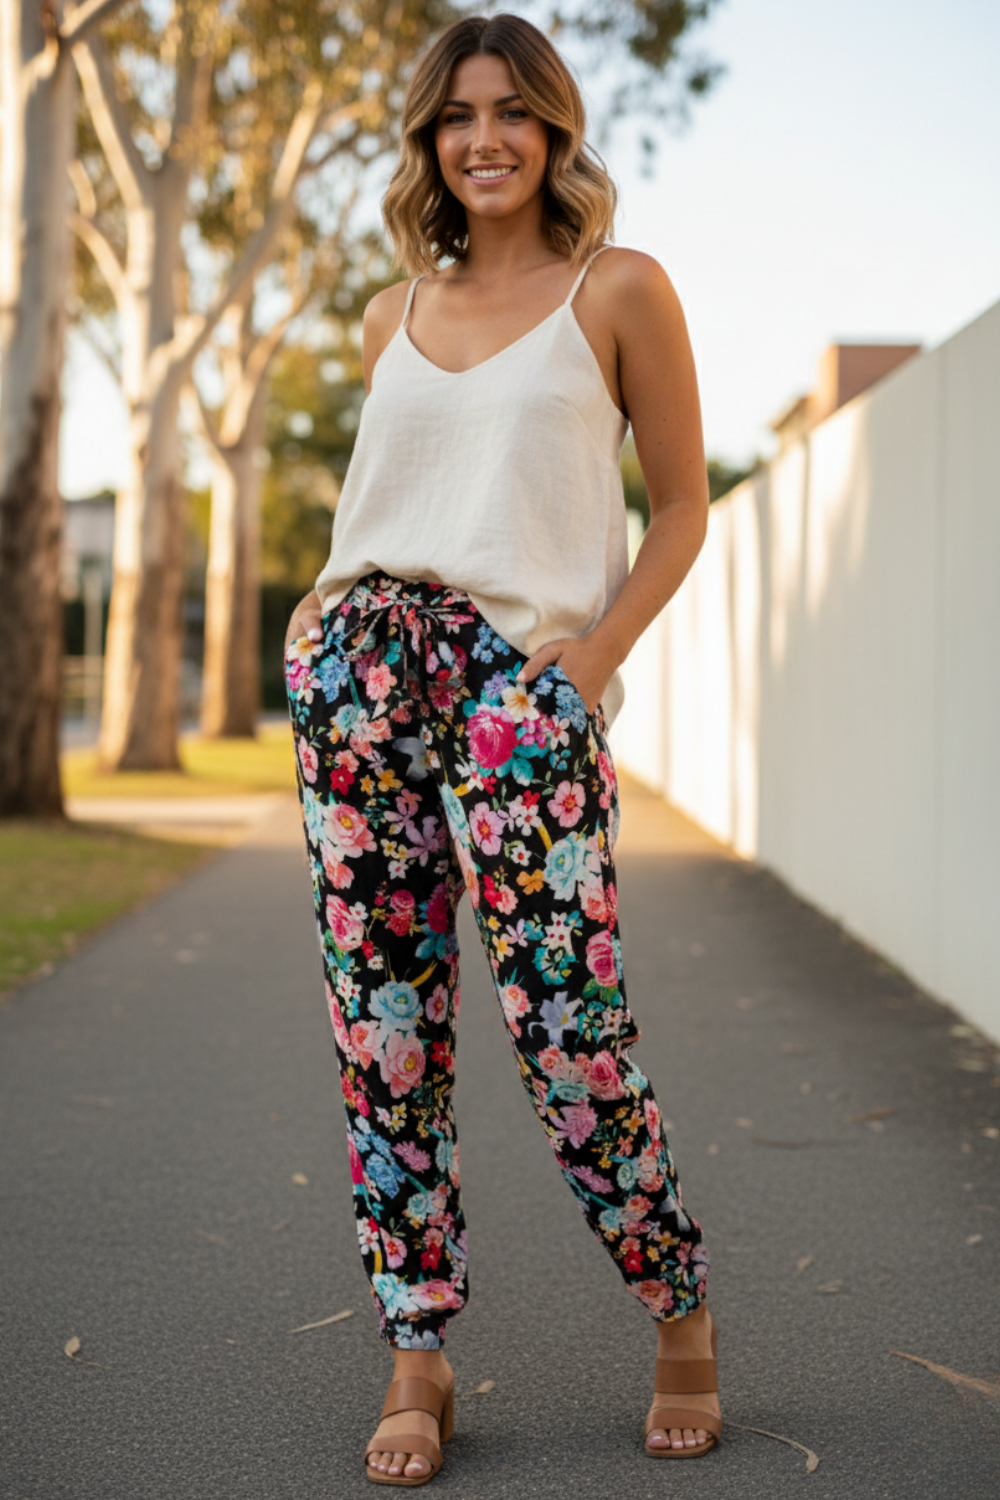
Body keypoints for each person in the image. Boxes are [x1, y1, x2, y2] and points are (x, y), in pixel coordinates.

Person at [283, 12, 718, 1487]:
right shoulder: (390, 311)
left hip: (517, 690)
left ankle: (679, 1310)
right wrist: (318, 629)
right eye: (458, 115)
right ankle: (417, 1353)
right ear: (430, 139)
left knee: (567, 1032)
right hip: (360, 685)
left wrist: (590, 662)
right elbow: (400, 492)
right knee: (385, 1034)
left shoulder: (620, 288)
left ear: (554, 129)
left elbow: (681, 506)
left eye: (513, 112)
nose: (485, 138)